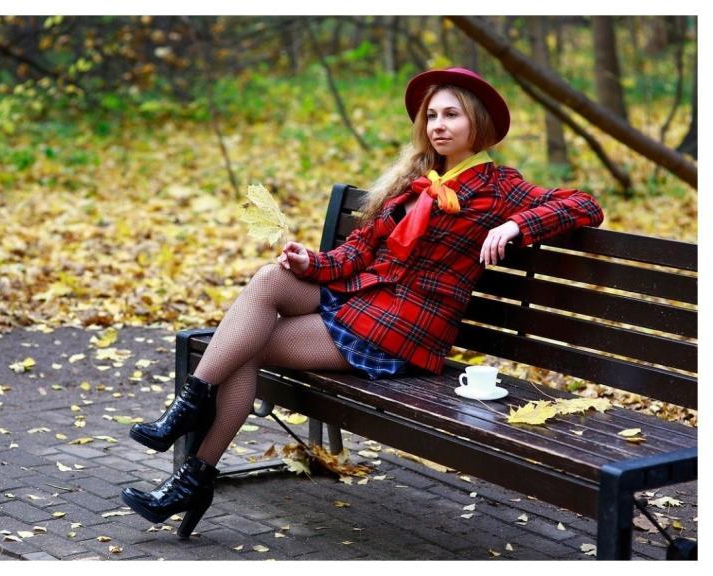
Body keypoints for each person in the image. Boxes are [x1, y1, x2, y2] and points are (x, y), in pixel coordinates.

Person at [120, 66, 604, 538]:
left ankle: (192, 468)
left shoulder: (500, 188)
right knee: (270, 279)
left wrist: (515, 225)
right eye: (431, 116)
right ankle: (189, 425)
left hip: (401, 331)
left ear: (478, 124)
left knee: (246, 345)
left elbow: (584, 204)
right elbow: (358, 252)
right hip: (364, 303)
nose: (438, 125)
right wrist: (311, 262)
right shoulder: (414, 182)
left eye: (451, 115)